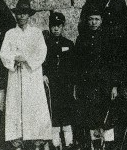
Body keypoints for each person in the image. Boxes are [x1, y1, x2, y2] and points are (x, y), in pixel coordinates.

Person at [0, 0, 52, 148]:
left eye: (24, 13)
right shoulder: (10, 33)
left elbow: (41, 52)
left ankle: (37, 141)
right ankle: (17, 141)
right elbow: (3, 53)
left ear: (29, 15)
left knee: (34, 104)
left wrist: (27, 59)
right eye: (19, 13)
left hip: (31, 74)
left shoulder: (36, 33)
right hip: (16, 74)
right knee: (15, 104)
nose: (21, 16)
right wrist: (14, 59)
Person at [73, 5, 119, 150]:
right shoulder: (81, 39)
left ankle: (109, 146)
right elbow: (77, 64)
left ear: (101, 20)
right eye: (91, 19)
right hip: (88, 86)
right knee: (92, 117)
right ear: (87, 21)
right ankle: (96, 146)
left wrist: (114, 85)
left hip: (105, 85)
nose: (94, 22)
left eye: (97, 19)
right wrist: (77, 85)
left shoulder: (108, 39)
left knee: (107, 117)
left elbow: (114, 64)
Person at [43, 11, 75, 150]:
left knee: (67, 115)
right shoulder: (45, 44)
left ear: (63, 27)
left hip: (66, 86)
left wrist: (72, 83)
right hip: (51, 85)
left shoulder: (69, 43)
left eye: (59, 26)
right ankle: (55, 144)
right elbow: (41, 62)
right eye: (53, 26)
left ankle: (69, 144)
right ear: (50, 27)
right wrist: (43, 74)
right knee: (54, 115)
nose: (56, 29)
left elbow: (74, 65)